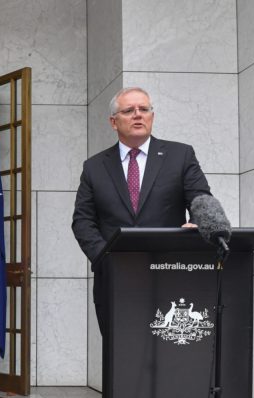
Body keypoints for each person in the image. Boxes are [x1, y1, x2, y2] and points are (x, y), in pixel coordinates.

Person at [71, 86, 211, 333]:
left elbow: (201, 199)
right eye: (129, 110)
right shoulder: (94, 167)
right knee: (121, 358)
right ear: (114, 122)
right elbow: (83, 221)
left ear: (152, 117)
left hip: (170, 274)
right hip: (115, 280)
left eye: (143, 109)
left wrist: (199, 222)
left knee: (170, 358)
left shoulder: (180, 155)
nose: (138, 114)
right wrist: (106, 258)